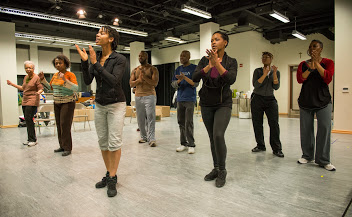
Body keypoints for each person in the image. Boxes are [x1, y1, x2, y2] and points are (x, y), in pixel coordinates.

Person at [76, 25, 127, 197]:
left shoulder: (119, 59)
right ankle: (109, 173)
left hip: (116, 104)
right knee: (103, 142)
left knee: (114, 142)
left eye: (102, 33)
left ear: (111, 39)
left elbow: (113, 81)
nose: (97, 35)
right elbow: (88, 80)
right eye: (97, 32)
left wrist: (95, 63)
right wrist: (85, 62)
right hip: (100, 104)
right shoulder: (95, 57)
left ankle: (112, 177)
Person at [193, 31, 237, 188]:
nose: (213, 42)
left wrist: (216, 64)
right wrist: (208, 65)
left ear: (225, 42)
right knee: (212, 137)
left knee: (218, 135)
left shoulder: (231, 61)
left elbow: (230, 78)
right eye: (212, 40)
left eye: (217, 39)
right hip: (206, 103)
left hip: (222, 104)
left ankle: (223, 170)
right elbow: (195, 77)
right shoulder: (204, 60)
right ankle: (216, 168)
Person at [296, 39, 335, 171]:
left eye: (315, 46)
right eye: (311, 46)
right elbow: (300, 79)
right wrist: (310, 68)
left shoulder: (328, 62)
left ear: (321, 49)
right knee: (306, 130)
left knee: (324, 128)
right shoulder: (303, 64)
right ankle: (307, 155)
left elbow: (328, 78)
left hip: (323, 100)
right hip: (306, 100)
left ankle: (323, 160)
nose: (313, 49)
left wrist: (317, 64)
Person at [38, 55, 78, 157]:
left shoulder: (70, 74)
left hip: (68, 102)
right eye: (56, 63)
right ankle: (62, 146)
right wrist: (43, 80)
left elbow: (75, 88)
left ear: (65, 64)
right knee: (59, 125)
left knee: (65, 125)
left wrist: (65, 80)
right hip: (57, 102)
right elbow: (51, 88)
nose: (58, 65)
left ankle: (68, 147)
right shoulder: (55, 75)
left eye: (60, 63)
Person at [250, 52, 284, 157]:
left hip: (270, 99)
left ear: (271, 58)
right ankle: (260, 145)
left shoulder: (276, 72)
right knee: (257, 123)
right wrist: (265, 74)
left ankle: (277, 148)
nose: (265, 59)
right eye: (263, 57)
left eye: (267, 57)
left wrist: (273, 73)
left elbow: (276, 87)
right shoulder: (257, 71)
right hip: (257, 98)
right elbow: (256, 84)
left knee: (274, 124)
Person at [7, 61, 43, 146]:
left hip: (33, 99)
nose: (28, 69)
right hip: (25, 99)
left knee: (29, 118)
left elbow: (41, 88)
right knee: (27, 120)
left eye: (30, 68)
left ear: (33, 69)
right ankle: (29, 138)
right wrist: (12, 84)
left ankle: (33, 139)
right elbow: (23, 88)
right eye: (26, 68)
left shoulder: (36, 77)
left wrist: (38, 92)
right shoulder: (26, 77)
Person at [129, 51, 159, 147]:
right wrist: (139, 80)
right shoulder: (135, 70)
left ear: (146, 57)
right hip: (138, 96)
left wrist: (145, 78)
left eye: (142, 56)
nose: (140, 57)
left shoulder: (152, 69)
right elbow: (131, 84)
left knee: (150, 117)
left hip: (150, 95)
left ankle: (152, 139)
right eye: (139, 56)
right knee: (140, 118)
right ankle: (143, 137)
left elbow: (155, 83)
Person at [171, 50, 198, 154]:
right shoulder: (178, 69)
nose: (181, 57)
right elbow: (173, 84)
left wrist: (185, 77)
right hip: (180, 99)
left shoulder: (194, 68)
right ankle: (183, 143)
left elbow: (195, 84)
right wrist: (178, 81)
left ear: (189, 57)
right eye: (181, 56)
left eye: (184, 56)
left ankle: (191, 144)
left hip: (190, 99)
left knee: (189, 122)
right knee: (181, 122)